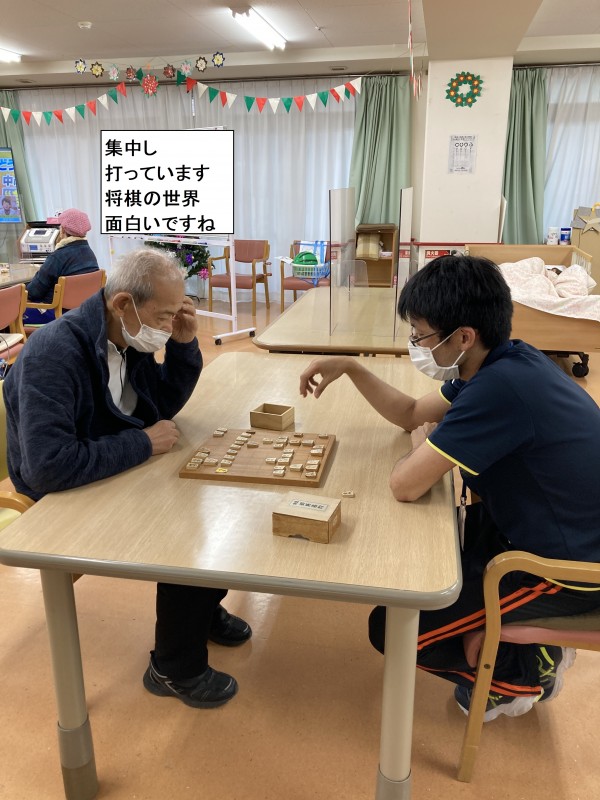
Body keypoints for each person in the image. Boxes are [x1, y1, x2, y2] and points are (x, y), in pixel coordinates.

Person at [299, 254, 600, 722]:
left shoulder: (499, 389)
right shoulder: (503, 360)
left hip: (572, 569)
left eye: (421, 334)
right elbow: (410, 415)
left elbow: (405, 484)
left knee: (393, 628)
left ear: (463, 337)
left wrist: (426, 445)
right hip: (535, 528)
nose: (415, 343)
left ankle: (523, 676)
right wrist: (352, 368)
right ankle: (517, 652)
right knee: (441, 559)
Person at [4, 247, 250, 709]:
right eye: (164, 316)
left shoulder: (124, 337)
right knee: (176, 530)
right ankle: (173, 667)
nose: (168, 324)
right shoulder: (54, 353)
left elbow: (159, 409)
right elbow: (47, 466)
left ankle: (197, 611)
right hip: (60, 492)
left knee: (209, 495)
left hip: (104, 463)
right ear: (122, 304)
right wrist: (141, 444)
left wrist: (182, 346)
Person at [23, 208, 99, 325]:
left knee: (8, 312)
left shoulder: (57, 257)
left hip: (55, 313)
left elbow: (33, 293)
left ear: (62, 230)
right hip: (82, 312)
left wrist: (19, 289)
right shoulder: (90, 253)